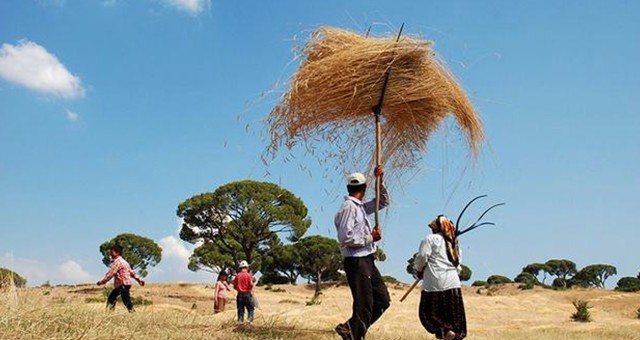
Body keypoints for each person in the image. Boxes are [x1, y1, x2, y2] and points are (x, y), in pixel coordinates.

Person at [334, 166, 390, 340]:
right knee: (364, 304)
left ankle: (349, 329)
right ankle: (355, 336)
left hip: (367, 260)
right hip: (357, 261)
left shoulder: (361, 208)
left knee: (382, 301)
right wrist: (370, 238)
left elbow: (382, 202)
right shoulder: (349, 208)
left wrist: (380, 181)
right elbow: (346, 238)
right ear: (364, 189)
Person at [414, 215, 467, 340]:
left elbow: (422, 257)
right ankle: (452, 335)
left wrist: (418, 270)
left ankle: (446, 333)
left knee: (428, 314)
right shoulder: (455, 243)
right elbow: (458, 265)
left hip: (434, 283)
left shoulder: (430, 239)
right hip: (453, 284)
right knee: (453, 318)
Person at [97, 244, 145, 312]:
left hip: (122, 284)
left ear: (117, 253)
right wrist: (139, 280)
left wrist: (102, 281)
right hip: (125, 284)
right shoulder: (124, 262)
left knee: (126, 301)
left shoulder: (118, 262)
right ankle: (110, 313)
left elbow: (111, 273)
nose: (110, 254)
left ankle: (133, 314)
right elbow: (131, 272)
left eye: (112, 252)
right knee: (112, 298)